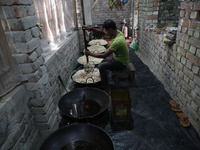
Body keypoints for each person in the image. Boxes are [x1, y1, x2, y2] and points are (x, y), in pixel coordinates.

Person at [84, 19, 129, 89]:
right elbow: (102, 32)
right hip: (119, 57)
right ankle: (105, 77)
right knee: (103, 62)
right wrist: (91, 29)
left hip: (121, 62)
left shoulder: (117, 41)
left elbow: (104, 55)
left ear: (110, 29)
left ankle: (105, 86)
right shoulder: (118, 32)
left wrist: (89, 53)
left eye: (106, 30)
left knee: (101, 66)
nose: (105, 33)